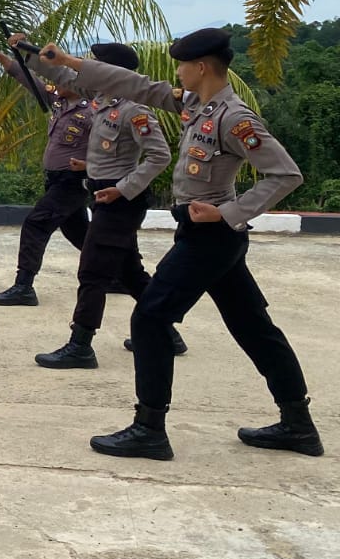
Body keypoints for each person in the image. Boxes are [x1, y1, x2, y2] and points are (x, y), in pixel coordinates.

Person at [40, 28, 322, 460]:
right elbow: (133, 85)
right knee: (254, 328)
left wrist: (227, 213)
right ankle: (299, 426)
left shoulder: (233, 117)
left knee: (150, 319)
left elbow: (285, 175)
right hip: (208, 237)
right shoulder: (195, 104)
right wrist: (72, 63)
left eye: (181, 65)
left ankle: (149, 429)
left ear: (201, 67)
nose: (177, 73)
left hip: (211, 238)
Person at [9, 41, 171, 368]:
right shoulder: (100, 101)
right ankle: (166, 332)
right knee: (129, 271)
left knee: (93, 271)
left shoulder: (134, 109)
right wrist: (27, 54)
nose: (89, 68)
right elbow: (61, 76)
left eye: (98, 64)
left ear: (113, 72)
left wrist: (123, 189)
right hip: (102, 194)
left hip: (121, 200)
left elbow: (159, 155)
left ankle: (81, 345)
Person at [0, 40, 93, 307]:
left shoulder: (92, 113)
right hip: (55, 181)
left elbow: (114, 147)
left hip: (73, 182)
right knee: (79, 233)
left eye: (60, 78)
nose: (54, 82)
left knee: (36, 223)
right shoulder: (59, 102)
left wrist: (90, 165)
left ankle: (24, 285)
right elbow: (25, 77)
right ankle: (118, 275)